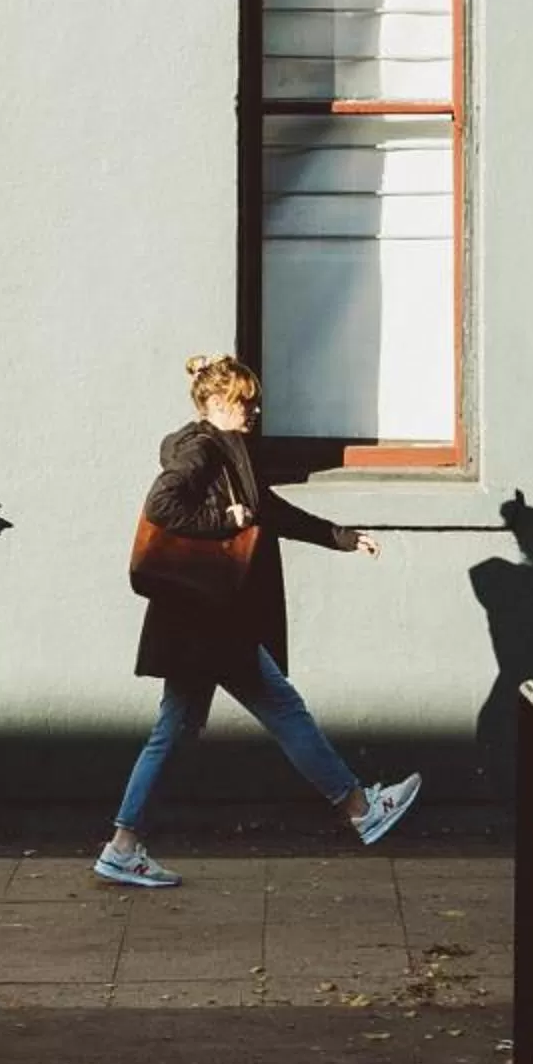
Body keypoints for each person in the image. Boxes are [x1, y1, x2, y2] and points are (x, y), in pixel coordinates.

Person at [97, 352, 421, 891]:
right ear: (218, 402)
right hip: (211, 622)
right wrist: (223, 519)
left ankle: (123, 846)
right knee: (280, 709)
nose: (256, 411)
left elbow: (268, 510)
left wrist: (339, 537)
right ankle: (361, 808)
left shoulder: (226, 453)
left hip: (200, 621)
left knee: (175, 729)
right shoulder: (203, 450)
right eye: (247, 402)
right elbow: (162, 506)